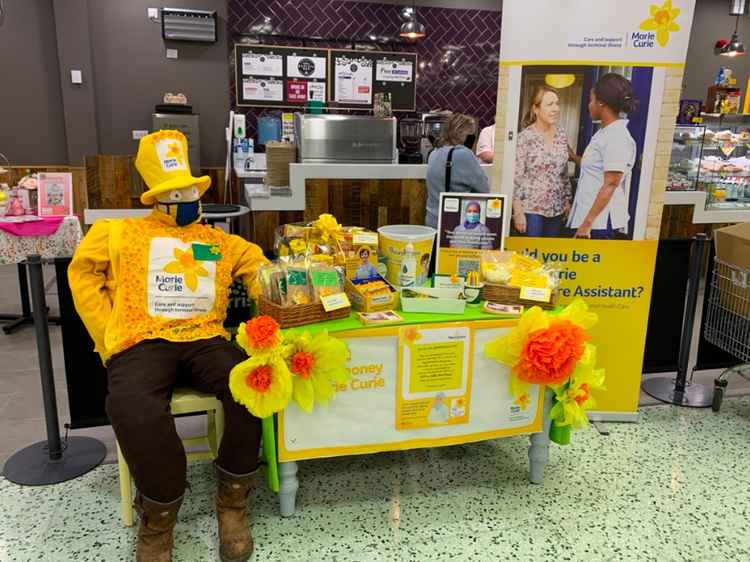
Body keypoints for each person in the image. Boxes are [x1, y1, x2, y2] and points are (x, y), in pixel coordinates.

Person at [68, 130, 268, 562]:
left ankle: (232, 501)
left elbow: (259, 268)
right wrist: (107, 334)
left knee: (251, 385)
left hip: (206, 340)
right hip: (142, 342)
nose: (186, 199)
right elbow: (82, 273)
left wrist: (273, 288)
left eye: (191, 191)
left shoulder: (219, 241)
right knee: (132, 408)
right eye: (174, 193)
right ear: (155, 199)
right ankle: (158, 519)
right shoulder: (118, 234)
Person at [568, 73, 637, 239]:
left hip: (599, 223)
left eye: (591, 100)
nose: (589, 105)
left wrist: (587, 224)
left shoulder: (616, 136)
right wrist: (573, 157)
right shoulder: (605, 133)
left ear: (601, 103)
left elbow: (611, 183)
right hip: (590, 219)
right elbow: (596, 168)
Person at [513, 85, 574, 238]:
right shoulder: (525, 137)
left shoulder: (561, 135)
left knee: (550, 258)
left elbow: (563, 172)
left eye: (557, 103)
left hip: (557, 209)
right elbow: (516, 177)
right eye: (549, 104)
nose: (555, 109)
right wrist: (518, 211)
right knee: (532, 258)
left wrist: (567, 200)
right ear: (536, 109)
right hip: (531, 210)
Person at [425, 113, 490, 230]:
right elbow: (484, 189)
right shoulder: (463, 154)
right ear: (466, 136)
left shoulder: (434, 152)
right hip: (452, 225)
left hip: (431, 222)